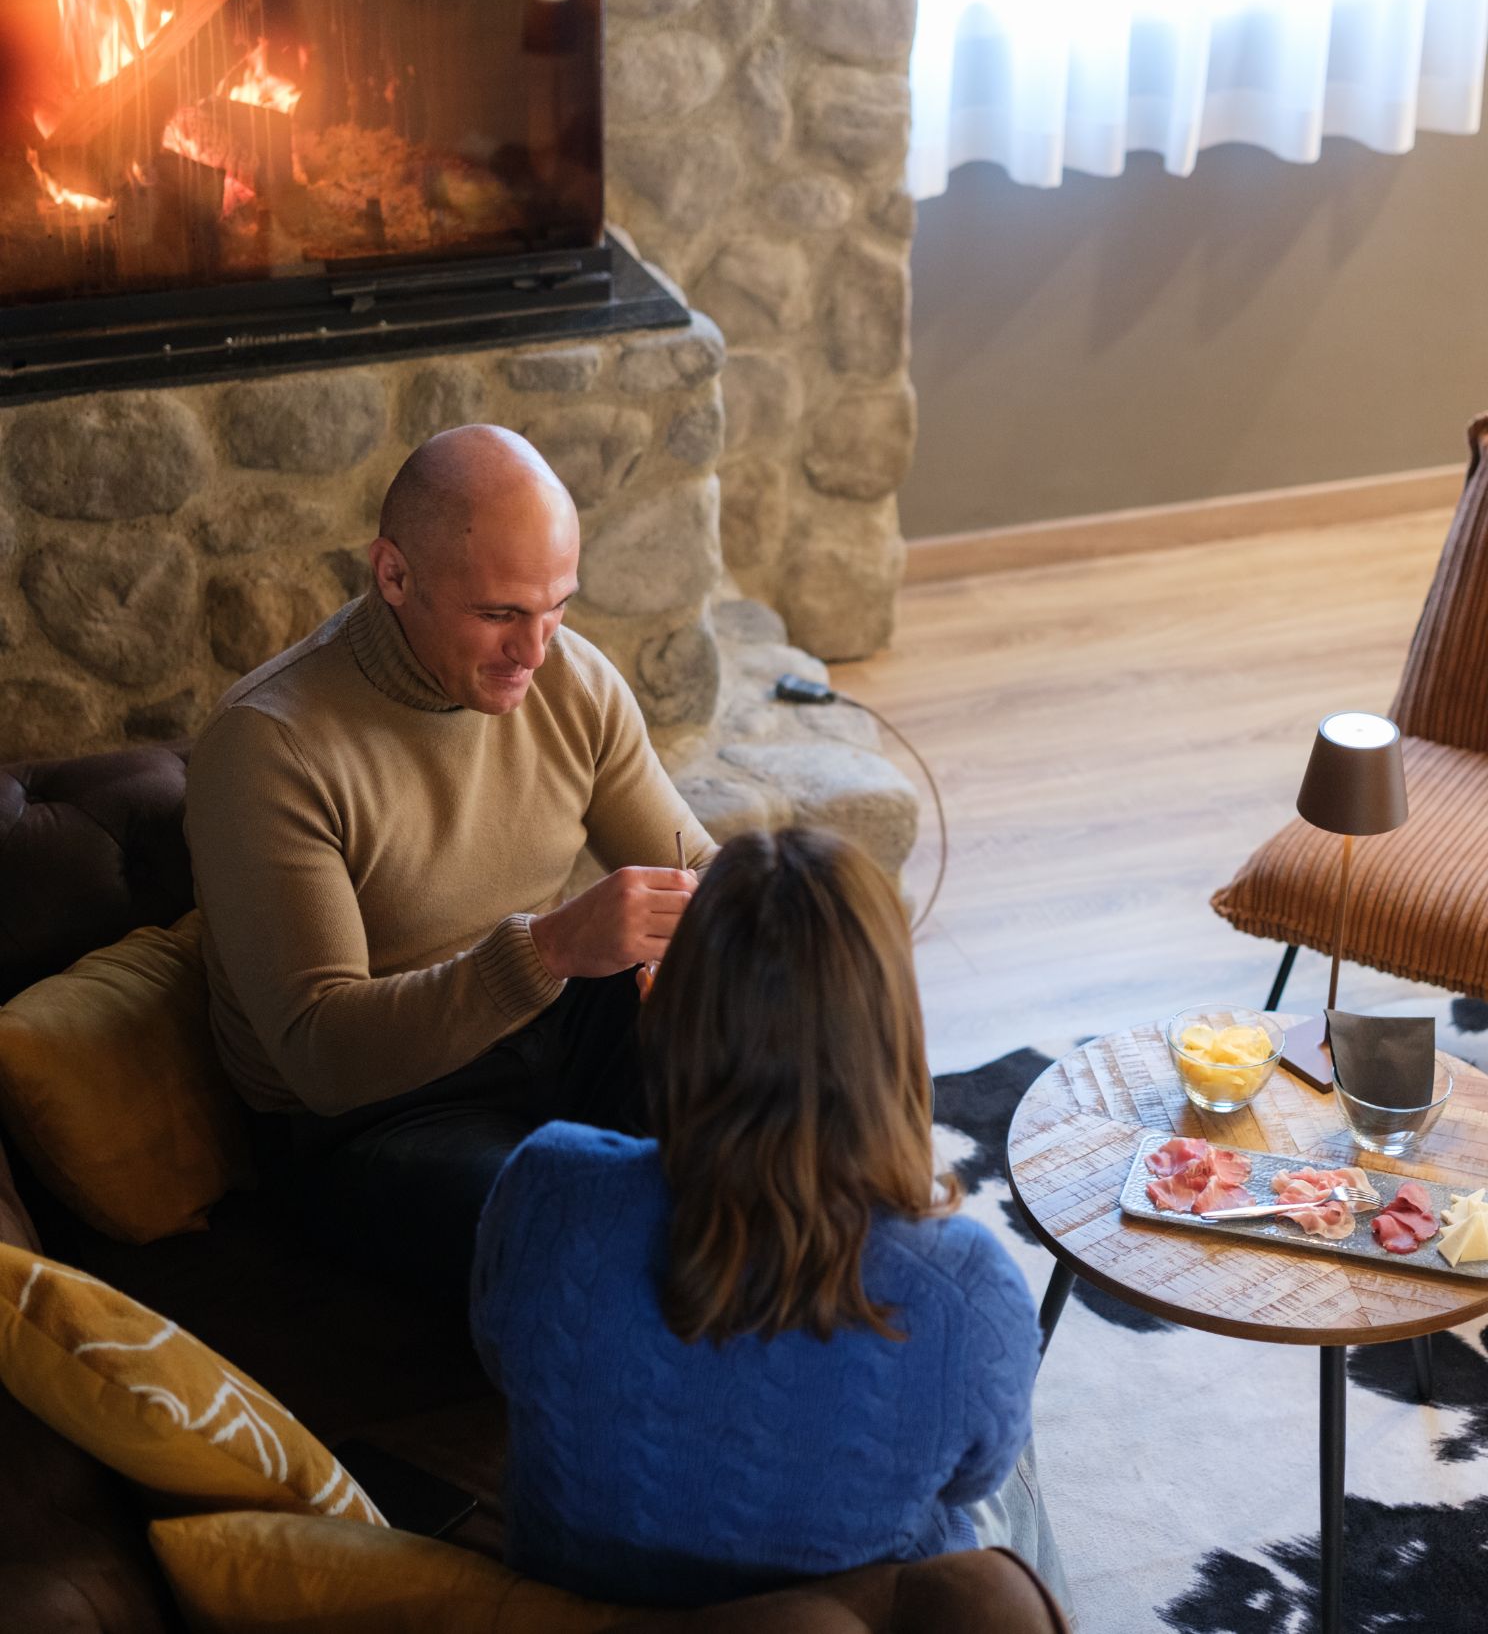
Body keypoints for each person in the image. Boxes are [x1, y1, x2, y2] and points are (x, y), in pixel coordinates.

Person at [185, 425, 714, 1313]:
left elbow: (693, 865)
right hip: (375, 1114)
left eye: (557, 607)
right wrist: (549, 950)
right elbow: (322, 1056)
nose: (534, 651)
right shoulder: (267, 749)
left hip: (553, 1026)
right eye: (500, 614)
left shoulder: (571, 679)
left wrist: (771, 918)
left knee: (791, 1119)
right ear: (394, 575)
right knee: (578, 1243)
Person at [470, 827, 1068, 1610]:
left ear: (667, 1012)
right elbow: (973, 1476)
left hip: (582, 1607)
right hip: (851, 1613)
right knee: (1004, 1446)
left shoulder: (545, 1187)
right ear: (889, 1032)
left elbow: (502, 1361)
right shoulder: (965, 1285)